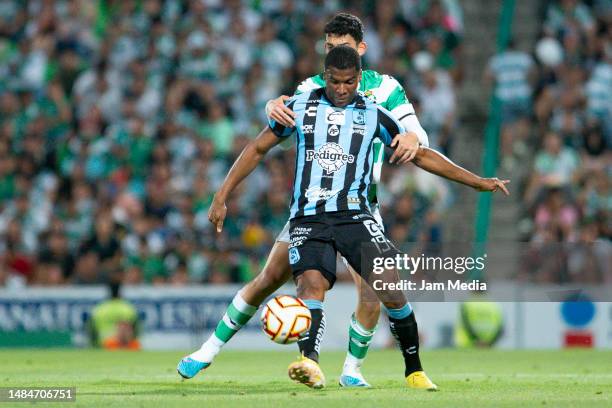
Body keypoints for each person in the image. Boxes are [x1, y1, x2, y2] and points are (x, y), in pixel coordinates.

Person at [203, 46, 509, 389]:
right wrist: (222, 194)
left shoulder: (374, 113)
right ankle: (310, 364)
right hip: (309, 218)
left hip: (354, 215)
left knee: (390, 288)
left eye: (349, 82)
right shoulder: (300, 107)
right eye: (335, 81)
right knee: (310, 285)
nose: (342, 89)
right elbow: (257, 148)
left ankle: (414, 371)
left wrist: (477, 181)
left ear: (359, 79)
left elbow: (421, 156)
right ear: (325, 76)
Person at [178, 13, 429, 388]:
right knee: (268, 279)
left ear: (360, 49)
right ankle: (207, 351)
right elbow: (279, 116)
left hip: (361, 206)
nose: (332, 54)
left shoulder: (387, 88)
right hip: (311, 206)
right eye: (327, 48)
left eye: (340, 48)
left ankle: (351, 370)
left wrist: (414, 137)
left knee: (374, 292)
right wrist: (270, 104)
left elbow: (416, 135)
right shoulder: (315, 84)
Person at [88, 282, 141, 350]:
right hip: (123, 345)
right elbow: (136, 330)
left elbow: (91, 330)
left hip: (103, 344)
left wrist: (94, 346)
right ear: (120, 293)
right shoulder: (128, 308)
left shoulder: (99, 309)